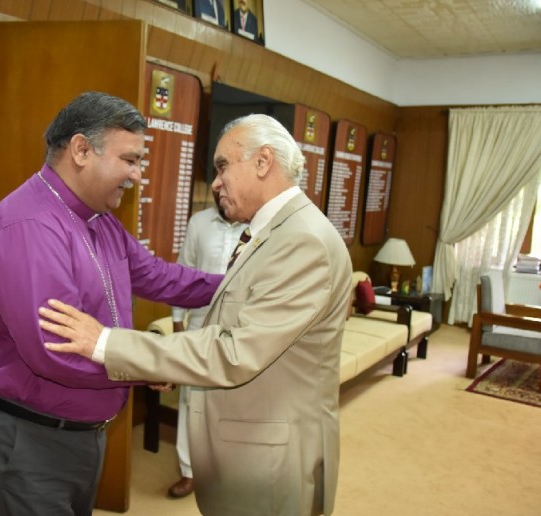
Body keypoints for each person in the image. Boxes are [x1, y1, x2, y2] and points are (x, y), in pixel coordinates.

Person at [39, 113, 354, 515]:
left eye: (223, 166)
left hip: (270, 461)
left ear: (263, 162)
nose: (216, 182)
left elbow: (234, 352)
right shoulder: (278, 231)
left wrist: (106, 342)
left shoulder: (302, 241)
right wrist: (165, 361)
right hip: (249, 447)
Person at [0, 91, 222, 516]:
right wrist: (149, 363)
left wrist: (239, 283)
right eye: (130, 160)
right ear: (81, 150)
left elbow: (159, 276)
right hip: (27, 440)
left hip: (78, 433)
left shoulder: (99, 220)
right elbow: (55, 352)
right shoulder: (29, 226)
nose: (137, 175)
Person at [166, 188, 247, 499]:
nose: (222, 191)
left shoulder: (258, 226)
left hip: (240, 327)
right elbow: (183, 272)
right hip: (199, 324)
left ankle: (225, 470)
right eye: (218, 187)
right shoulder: (199, 223)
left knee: (232, 400)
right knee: (191, 401)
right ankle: (188, 471)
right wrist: (177, 322)